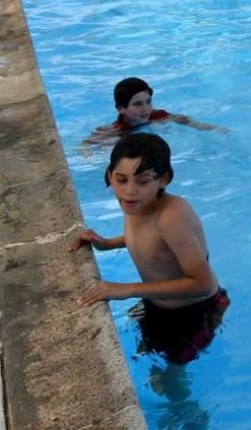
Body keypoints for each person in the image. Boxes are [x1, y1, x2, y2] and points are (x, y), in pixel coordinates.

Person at [69, 134, 229, 364]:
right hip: (156, 303)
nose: (130, 190)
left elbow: (202, 284)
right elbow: (150, 240)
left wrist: (127, 289)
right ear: (109, 176)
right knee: (148, 351)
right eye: (121, 179)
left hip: (194, 311)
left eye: (142, 181)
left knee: (173, 378)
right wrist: (106, 244)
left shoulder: (171, 217)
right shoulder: (136, 202)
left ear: (164, 179)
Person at [83, 77, 226, 146]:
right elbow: (86, 146)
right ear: (121, 109)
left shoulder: (158, 116)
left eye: (148, 101)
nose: (146, 109)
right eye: (138, 104)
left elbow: (185, 120)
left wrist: (208, 128)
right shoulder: (115, 130)